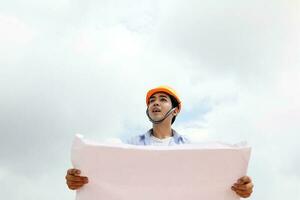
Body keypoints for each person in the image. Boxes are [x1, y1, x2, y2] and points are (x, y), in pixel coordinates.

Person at [65, 86, 254, 198]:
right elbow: (105, 177)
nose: (155, 103)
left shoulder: (193, 150)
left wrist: (240, 188)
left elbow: (210, 184)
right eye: (151, 101)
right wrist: (78, 180)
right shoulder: (128, 147)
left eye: (162, 99)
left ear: (176, 110)